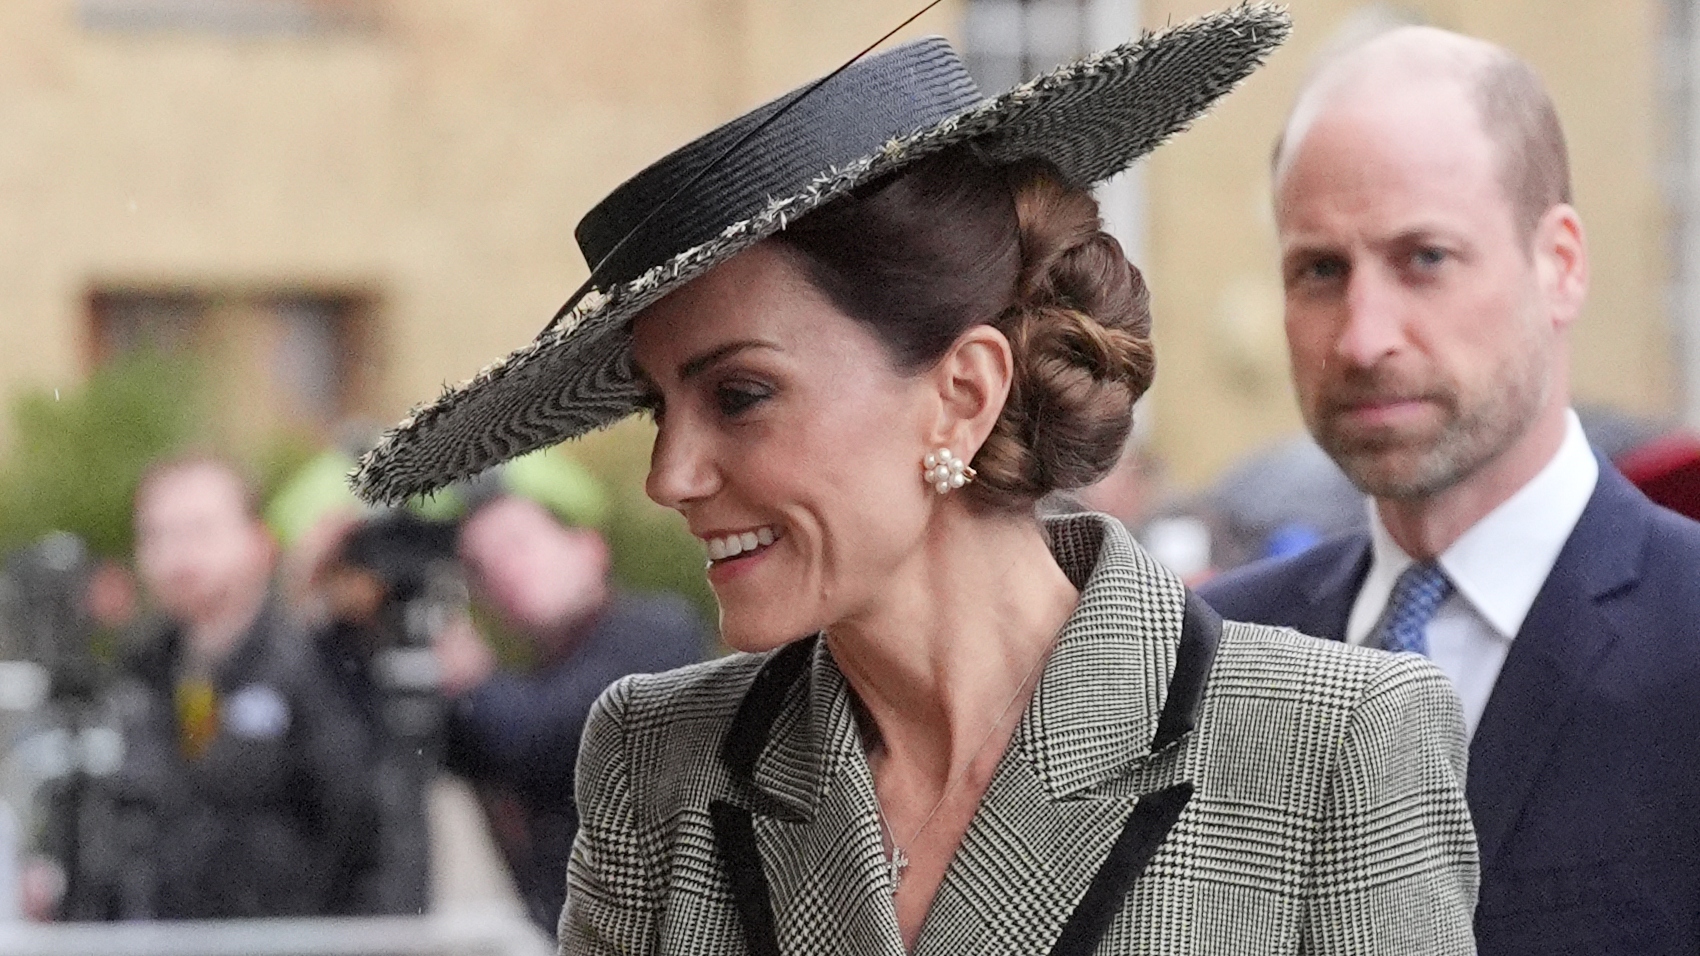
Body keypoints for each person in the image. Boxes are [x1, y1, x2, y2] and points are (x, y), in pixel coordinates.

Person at [354, 10, 1478, 953]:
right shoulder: (659, 760)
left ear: (960, 392)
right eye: (659, 407)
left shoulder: (1326, 746)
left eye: (738, 394)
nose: (670, 474)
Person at [1198, 26, 1700, 956]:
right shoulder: (1214, 662)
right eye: (1320, 269)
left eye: (1423, 257)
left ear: (1560, 263)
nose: (1362, 336)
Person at [108, 455, 377, 919]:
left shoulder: (318, 670)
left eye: (200, 530)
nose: (177, 553)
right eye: (158, 534)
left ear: (259, 542)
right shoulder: (140, 674)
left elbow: (366, 833)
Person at [438, 493, 704, 932]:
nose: (504, 570)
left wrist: (471, 677)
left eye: (518, 544)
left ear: (589, 548)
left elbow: (550, 731)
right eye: (480, 568)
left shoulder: (656, 632)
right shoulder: (532, 680)